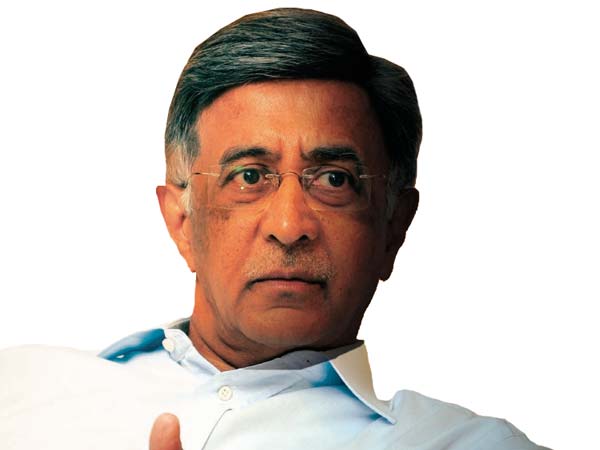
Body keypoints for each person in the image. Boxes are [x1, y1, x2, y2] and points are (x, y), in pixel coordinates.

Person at [0, 8, 549, 450]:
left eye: (334, 179)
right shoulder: (19, 387)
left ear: (394, 227)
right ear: (182, 220)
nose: (289, 227)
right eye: (250, 176)